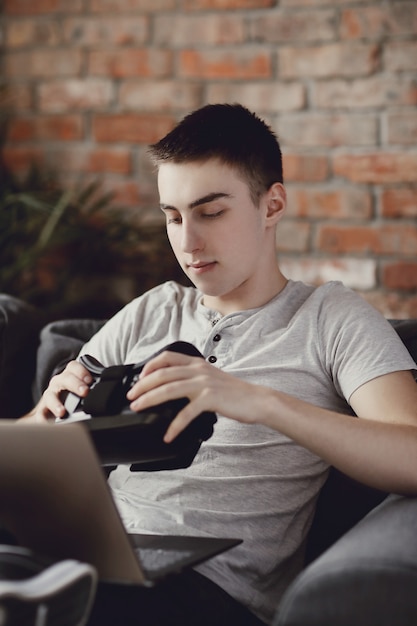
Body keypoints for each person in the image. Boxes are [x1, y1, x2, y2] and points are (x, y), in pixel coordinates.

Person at [22, 103, 417, 624]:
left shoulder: (328, 317)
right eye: (173, 217)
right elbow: (23, 458)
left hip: (208, 593)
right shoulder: (153, 309)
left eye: (210, 212)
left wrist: (258, 401)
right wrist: (41, 424)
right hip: (87, 556)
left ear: (271, 205)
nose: (187, 242)